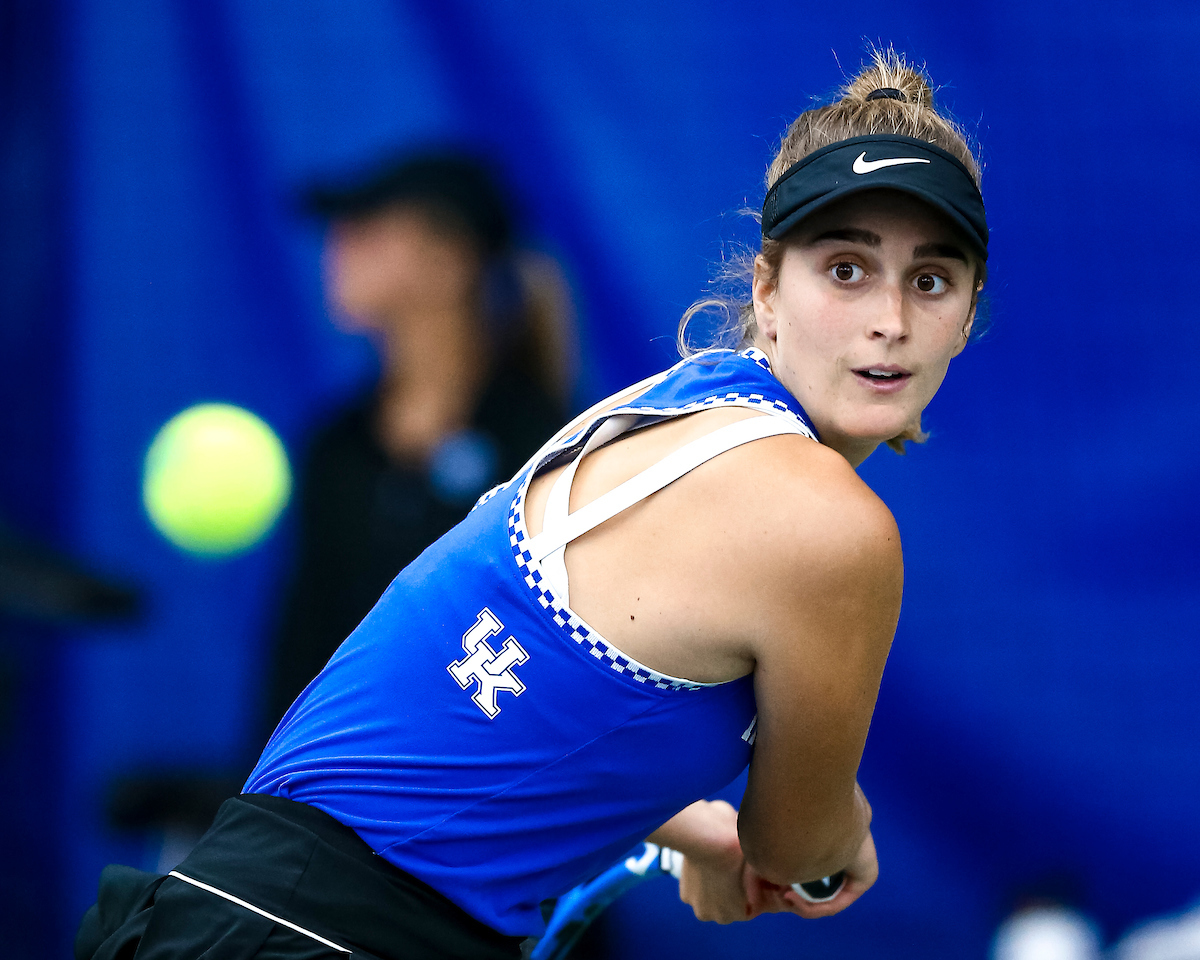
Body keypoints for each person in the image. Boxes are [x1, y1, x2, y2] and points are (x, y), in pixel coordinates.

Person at [76, 47, 989, 960]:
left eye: (931, 281)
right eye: (844, 270)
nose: (890, 321)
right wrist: (836, 829)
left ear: (968, 313)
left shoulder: (667, 406)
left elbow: (503, 708)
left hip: (221, 909)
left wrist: (685, 825)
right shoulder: (834, 526)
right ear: (766, 288)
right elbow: (795, 845)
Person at [265, 152, 574, 730]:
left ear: (449, 260)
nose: (338, 247)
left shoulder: (550, 450)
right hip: (332, 797)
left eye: (369, 227)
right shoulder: (334, 448)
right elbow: (297, 657)